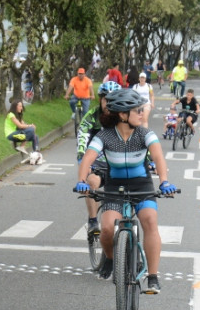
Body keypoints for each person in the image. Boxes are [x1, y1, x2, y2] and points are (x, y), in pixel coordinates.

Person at [76, 88, 177, 293]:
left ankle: (153, 277)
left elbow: (158, 158)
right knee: (106, 228)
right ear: (123, 115)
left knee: (149, 220)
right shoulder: (105, 136)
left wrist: (164, 182)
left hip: (142, 185)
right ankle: (113, 260)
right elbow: (88, 157)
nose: (142, 113)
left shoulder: (145, 134)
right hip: (115, 187)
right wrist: (81, 180)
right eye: (137, 110)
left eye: (141, 109)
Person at [76, 81, 122, 236]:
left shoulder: (125, 117)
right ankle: (93, 220)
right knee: (91, 182)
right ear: (100, 100)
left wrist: (150, 162)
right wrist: (83, 159)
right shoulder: (92, 116)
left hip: (121, 164)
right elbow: (82, 135)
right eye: (105, 100)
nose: (108, 104)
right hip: (98, 163)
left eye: (113, 100)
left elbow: (141, 140)